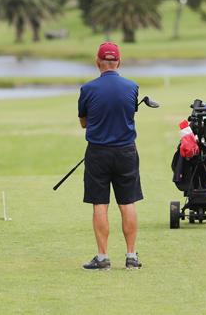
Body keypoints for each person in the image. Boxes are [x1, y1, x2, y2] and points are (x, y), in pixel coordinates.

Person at [77, 42, 143, 270]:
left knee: (100, 204)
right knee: (128, 202)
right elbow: (129, 113)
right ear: (119, 62)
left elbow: (84, 122)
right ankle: (131, 256)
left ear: (97, 62)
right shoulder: (132, 87)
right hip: (126, 151)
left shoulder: (87, 89)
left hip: (98, 153)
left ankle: (103, 258)